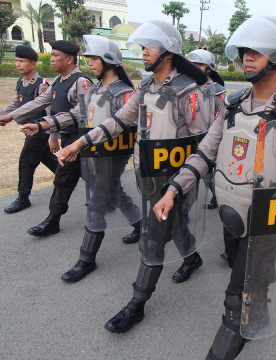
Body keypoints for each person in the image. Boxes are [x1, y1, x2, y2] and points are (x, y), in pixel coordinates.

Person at [152, 16, 276, 359]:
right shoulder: (232, 105)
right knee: (246, 275)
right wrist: (173, 190)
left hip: (267, 218)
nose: (247, 57)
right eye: (244, 51)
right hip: (231, 211)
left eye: (256, 51)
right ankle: (256, 309)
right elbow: (204, 153)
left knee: (236, 293)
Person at [57, 20, 211, 334]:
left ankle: (136, 304)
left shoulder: (188, 91)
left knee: (152, 238)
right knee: (177, 226)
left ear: (167, 52)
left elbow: (203, 145)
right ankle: (192, 258)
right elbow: (117, 122)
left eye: (148, 47)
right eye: (142, 47)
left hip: (176, 182)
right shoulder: (144, 87)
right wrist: (78, 142)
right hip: (149, 176)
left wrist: (182, 186)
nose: (142, 53)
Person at [20, 35, 140, 282]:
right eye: (89, 59)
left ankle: (86, 259)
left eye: (95, 59)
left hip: (113, 156)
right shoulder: (94, 89)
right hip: (90, 152)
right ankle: (140, 224)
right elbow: (76, 118)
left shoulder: (125, 93)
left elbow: (125, 126)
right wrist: (43, 125)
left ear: (109, 61)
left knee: (97, 204)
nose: (90, 63)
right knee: (114, 193)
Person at [0, 40, 93, 237]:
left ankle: (53, 220)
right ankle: (135, 219)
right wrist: (9, 116)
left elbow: (81, 114)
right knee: (97, 180)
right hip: (67, 137)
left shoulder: (81, 82)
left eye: (56, 55)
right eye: (51, 55)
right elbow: (40, 102)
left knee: (63, 180)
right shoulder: (57, 81)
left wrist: (43, 126)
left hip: (80, 139)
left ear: (70, 59)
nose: (52, 59)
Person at [0, 45, 57, 214]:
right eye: (16, 61)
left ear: (33, 63)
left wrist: (53, 134)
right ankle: (69, 177)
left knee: (26, 162)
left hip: (39, 130)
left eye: (22, 61)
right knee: (45, 157)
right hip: (28, 129)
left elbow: (50, 111)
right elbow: (16, 103)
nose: (18, 64)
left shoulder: (42, 85)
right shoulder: (21, 82)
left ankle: (23, 197)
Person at [186, 48, 226, 211]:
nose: (195, 68)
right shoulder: (186, 88)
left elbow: (221, 118)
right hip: (190, 138)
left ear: (208, 68)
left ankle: (220, 198)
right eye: (192, 64)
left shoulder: (217, 91)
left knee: (209, 176)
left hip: (210, 140)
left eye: (199, 65)